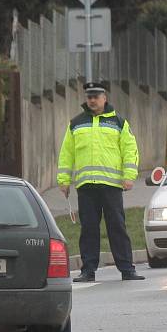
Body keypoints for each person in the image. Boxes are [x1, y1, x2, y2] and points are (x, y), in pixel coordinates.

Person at [57, 81, 145, 282]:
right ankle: (88, 270)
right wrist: (63, 180)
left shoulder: (118, 123)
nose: (92, 100)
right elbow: (66, 153)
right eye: (89, 97)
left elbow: (130, 151)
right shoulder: (76, 123)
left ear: (105, 98)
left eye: (96, 96)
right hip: (86, 186)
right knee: (88, 229)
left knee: (117, 227)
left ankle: (127, 269)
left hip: (111, 185)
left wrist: (129, 176)